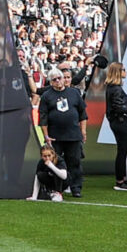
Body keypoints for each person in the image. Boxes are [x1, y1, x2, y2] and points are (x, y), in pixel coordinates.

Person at [37, 69, 88, 200]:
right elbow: (43, 117)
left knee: (75, 161)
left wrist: (83, 131)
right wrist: (46, 136)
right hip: (55, 136)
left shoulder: (74, 93)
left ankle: (76, 188)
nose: (58, 81)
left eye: (60, 78)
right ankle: (56, 188)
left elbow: (82, 113)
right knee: (55, 162)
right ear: (50, 82)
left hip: (73, 134)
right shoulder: (47, 96)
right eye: (54, 79)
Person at [102, 60, 127, 192]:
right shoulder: (115, 89)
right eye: (123, 70)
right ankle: (120, 181)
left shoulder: (112, 88)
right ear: (118, 72)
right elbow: (119, 108)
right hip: (120, 122)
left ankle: (121, 179)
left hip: (117, 121)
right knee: (122, 151)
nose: (125, 72)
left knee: (122, 151)